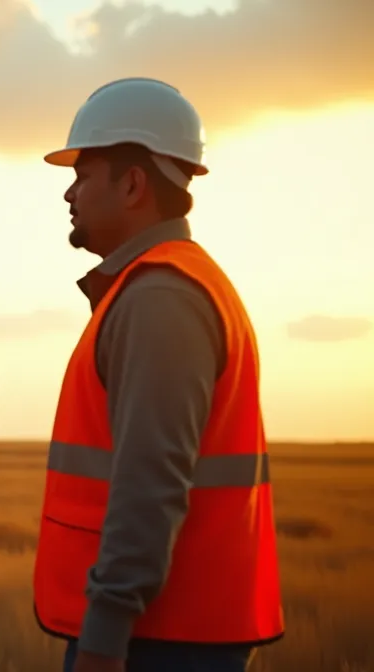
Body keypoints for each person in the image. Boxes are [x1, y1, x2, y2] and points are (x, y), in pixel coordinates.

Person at [32, 77, 284, 672]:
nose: (69, 193)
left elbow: (150, 482)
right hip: (169, 632)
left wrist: (103, 636)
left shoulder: (160, 299)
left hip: (159, 639)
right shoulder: (165, 286)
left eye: (83, 174)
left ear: (134, 184)